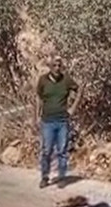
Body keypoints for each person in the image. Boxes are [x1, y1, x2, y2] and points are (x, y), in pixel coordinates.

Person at [36, 55, 81, 188]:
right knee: (46, 150)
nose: (57, 68)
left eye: (59, 65)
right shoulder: (43, 80)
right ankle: (45, 177)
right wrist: (36, 115)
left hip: (62, 120)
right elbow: (38, 98)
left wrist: (73, 108)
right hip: (47, 121)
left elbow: (79, 90)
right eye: (54, 65)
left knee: (62, 150)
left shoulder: (66, 80)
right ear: (49, 67)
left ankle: (62, 177)